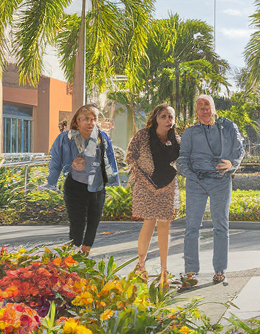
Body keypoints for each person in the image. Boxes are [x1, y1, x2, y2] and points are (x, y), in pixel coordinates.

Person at [176, 95, 245, 288]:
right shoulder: (190, 133)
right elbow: (182, 159)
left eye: (207, 105)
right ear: (196, 112)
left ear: (213, 108)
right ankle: (191, 272)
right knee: (192, 227)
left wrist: (232, 164)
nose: (204, 108)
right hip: (196, 183)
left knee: (221, 226)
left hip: (221, 181)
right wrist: (192, 175)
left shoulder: (228, 127)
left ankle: (220, 271)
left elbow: (240, 150)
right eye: (200, 106)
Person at [44, 104, 121, 254]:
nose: (90, 122)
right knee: (77, 223)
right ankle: (74, 253)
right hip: (75, 185)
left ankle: (84, 256)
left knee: (93, 224)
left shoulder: (101, 137)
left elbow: (110, 159)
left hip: (97, 187)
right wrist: (52, 182)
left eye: (93, 119)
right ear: (77, 121)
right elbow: (55, 161)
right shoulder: (66, 138)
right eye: (85, 119)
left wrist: (113, 180)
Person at [126, 103, 181, 286]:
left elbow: (183, 161)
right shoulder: (143, 135)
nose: (168, 120)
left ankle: (164, 270)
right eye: (164, 116)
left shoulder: (176, 139)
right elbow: (130, 156)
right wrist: (142, 179)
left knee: (165, 225)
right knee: (148, 223)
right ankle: (141, 266)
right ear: (156, 117)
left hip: (168, 186)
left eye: (171, 117)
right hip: (145, 185)